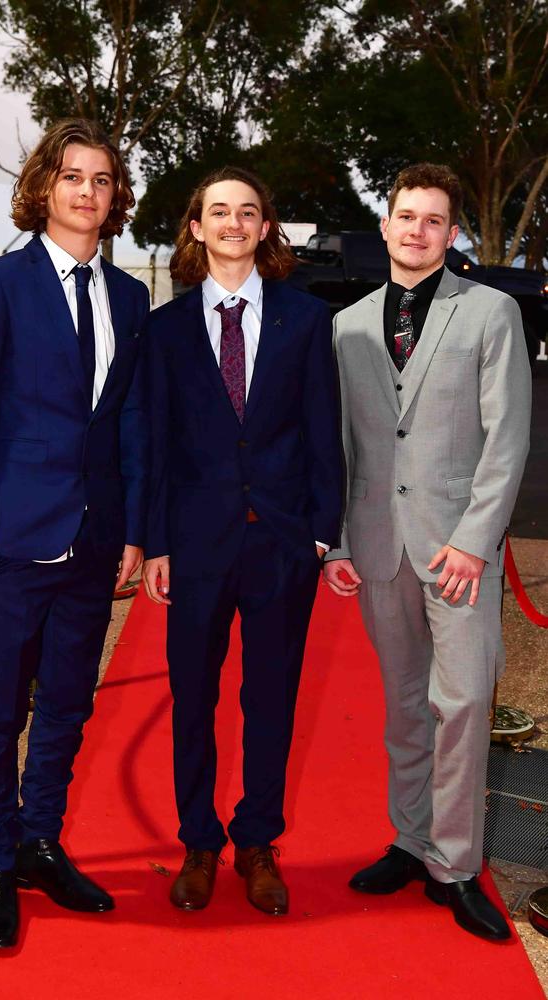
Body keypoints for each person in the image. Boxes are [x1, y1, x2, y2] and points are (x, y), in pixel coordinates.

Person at [0, 119, 149, 948]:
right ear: (43, 188)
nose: (87, 193)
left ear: (114, 197)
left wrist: (131, 528)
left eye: (101, 180)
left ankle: (38, 842)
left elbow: (127, 420)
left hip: (95, 542)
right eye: (73, 177)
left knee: (65, 706)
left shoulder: (130, 297)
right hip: (12, 539)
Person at [324, 162, 531, 941]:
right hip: (379, 548)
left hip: (458, 553)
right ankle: (410, 843)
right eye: (405, 216)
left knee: (465, 703)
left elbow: (506, 442)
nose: (417, 230)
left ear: (452, 234)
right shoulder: (344, 327)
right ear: (385, 226)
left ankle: (456, 864)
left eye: (433, 220)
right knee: (406, 707)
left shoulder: (489, 314)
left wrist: (475, 543)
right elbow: (341, 449)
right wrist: (338, 543)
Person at [142, 166, 343, 916]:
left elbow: (324, 431)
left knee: (272, 700)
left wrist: (324, 534)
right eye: (217, 211)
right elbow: (155, 443)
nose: (232, 222)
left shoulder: (304, 319)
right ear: (195, 227)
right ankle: (199, 840)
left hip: (282, 545)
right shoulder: (162, 329)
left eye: (247, 211)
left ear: (266, 227)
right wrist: (155, 542)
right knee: (192, 699)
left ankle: (258, 841)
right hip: (195, 545)